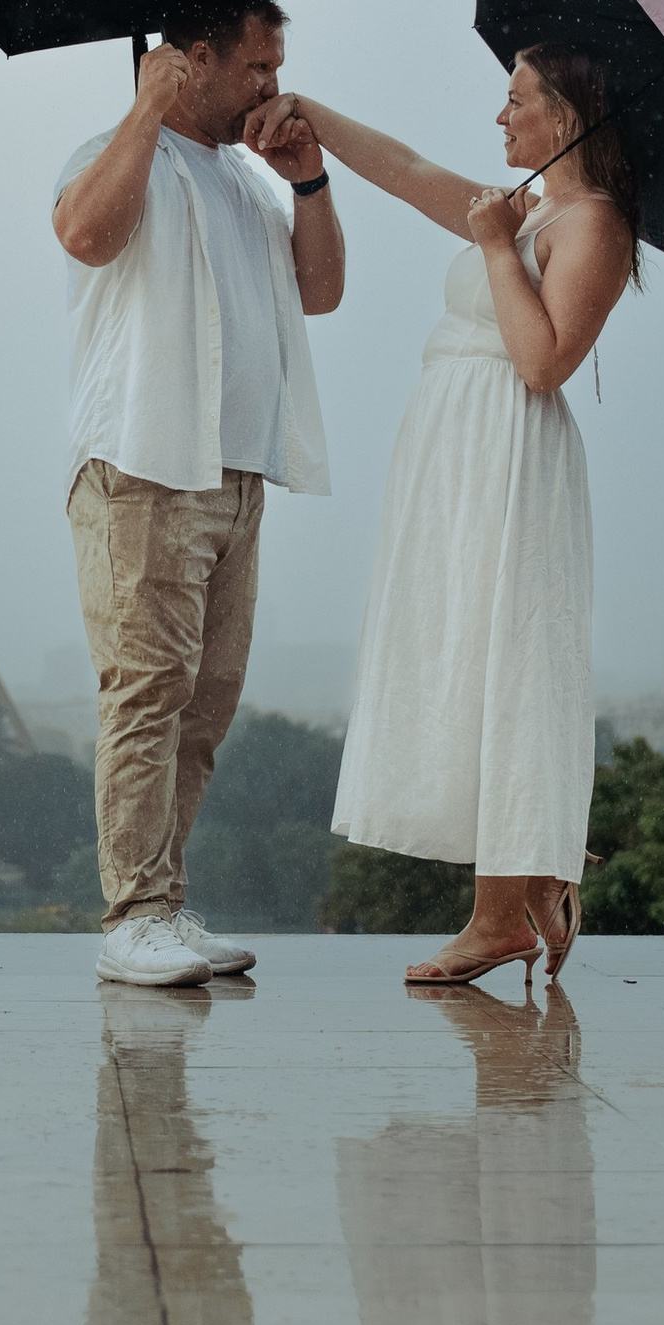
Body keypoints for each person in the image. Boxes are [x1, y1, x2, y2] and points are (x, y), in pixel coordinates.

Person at [249, 49, 635, 988]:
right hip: (457, 455)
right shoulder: (533, 207)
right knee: (464, 656)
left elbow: (544, 363)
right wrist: (311, 117)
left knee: (509, 658)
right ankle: (523, 886)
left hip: (511, 454)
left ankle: (500, 913)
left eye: (517, 102)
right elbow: (412, 172)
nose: (500, 119)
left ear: (567, 116)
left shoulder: (594, 224)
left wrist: (499, 248)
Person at [53, 0, 346, 987]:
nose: (272, 86)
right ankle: (131, 912)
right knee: (146, 693)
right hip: (142, 467)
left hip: (232, 474)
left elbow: (320, 290)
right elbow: (86, 237)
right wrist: (143, 113)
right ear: (195, 59)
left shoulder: (248, 182)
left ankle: (161, 906)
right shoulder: (118, 152)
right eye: (256, 67)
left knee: (204, 706)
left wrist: (308, 183)